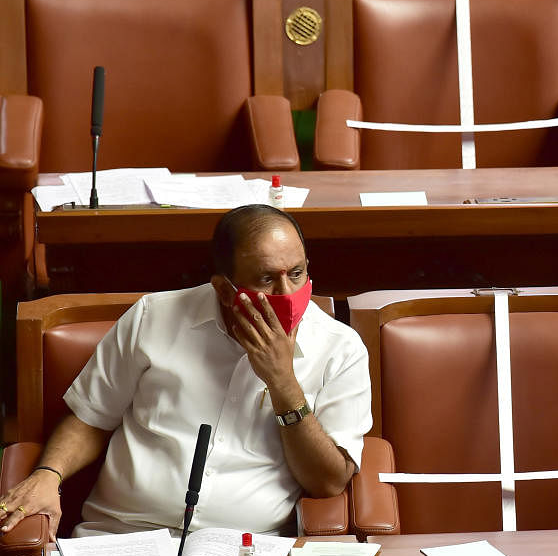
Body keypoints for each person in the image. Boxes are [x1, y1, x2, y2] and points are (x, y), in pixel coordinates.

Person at [0, 204, 372, 538]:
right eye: (265, 279)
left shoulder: (340, 348)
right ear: (224, 291)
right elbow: (92, 418)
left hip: (247, 552)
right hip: (122, 536)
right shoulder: (152, 317)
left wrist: (283, 383)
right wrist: (48, 474)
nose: (286, 292)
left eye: (296, 273)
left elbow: (328, 481)